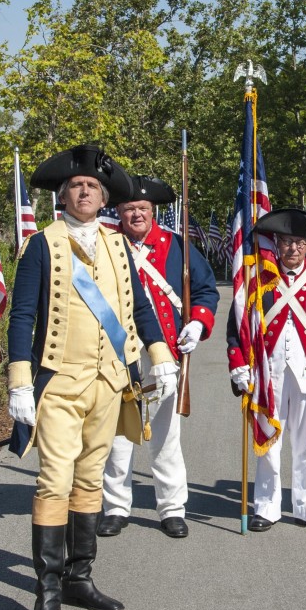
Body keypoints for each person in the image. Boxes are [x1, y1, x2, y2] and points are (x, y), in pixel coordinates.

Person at [7, 145, 173, 610]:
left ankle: (80, 577)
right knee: (54, 482)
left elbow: (140, 308)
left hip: (110, 383)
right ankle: (48, 593)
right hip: (58, 382)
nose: (85, 192)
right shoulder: (43, 244)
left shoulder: (117, 244)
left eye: (93, 187)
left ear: (104, 198)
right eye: (77, 185)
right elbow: (22, 316)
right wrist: (19, 382)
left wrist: (160, 358)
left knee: (90, 481)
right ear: (63, 195)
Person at [98, 175, 219, 539]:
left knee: (165, 435)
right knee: (118, 434)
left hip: (164, 350)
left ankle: (171, 508)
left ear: (153, 212)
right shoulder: (106, 244)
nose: (136, 215)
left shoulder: (177, 245)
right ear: (117, 210)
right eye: (129, 208)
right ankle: (116, 506)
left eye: (143, 209)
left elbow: (205, 289)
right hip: (117, 351)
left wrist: (197, 323)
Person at [227, 208, 306, 532]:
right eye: (286, 243)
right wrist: (238, 363)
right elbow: (237, 327)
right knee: (269, 443)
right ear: (276, 244)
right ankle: (267, 508)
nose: (293, 249)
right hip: (269, 375)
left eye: (299, 243)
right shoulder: (260, 280)